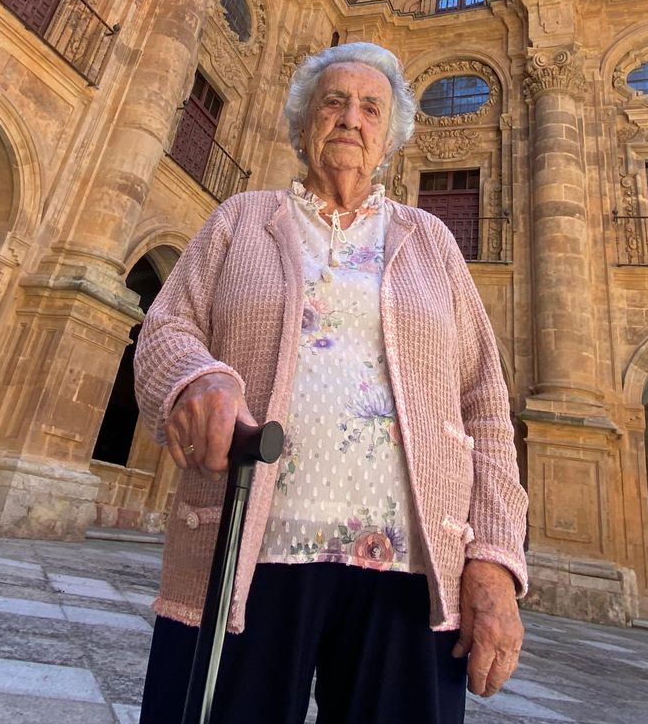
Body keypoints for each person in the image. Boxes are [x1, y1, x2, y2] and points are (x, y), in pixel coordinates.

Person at [134, 42, 528, 724]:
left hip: (412, 572)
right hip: (244, 552)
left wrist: (492, 561)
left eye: (370, 107)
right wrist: (198, 378)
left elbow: (485, 408)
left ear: (390, 136)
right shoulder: (240, 221)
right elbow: (167, 330)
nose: (351, 117)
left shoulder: (430, 240)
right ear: (304, 122)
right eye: (333, 102)